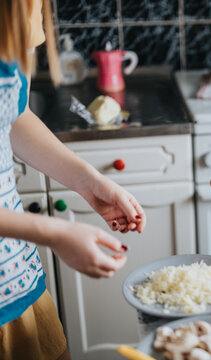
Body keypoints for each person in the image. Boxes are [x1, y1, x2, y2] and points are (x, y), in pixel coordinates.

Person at [0, 1, 146, 359]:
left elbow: (13, 117)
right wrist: (55, 233)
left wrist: (88, 181)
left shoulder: (23, 8)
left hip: (15, 276)